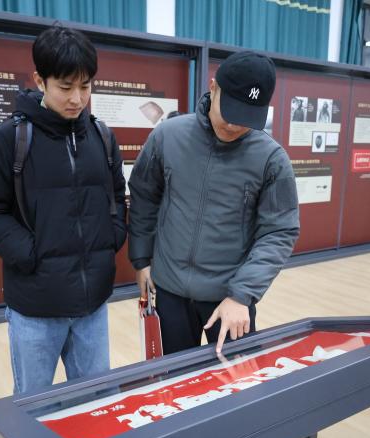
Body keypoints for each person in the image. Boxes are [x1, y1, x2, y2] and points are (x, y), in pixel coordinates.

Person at [0, 25, 127, 393]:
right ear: (40, 80)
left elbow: (117, 197)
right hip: (35, 305)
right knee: (33, 405)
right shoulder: (9, 138)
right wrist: (31, 253)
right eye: (65, 87)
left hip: (93, 304)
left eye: (85, 86)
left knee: (97, 402)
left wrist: (111, 239)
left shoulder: (102, 137)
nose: (77, 98)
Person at [128, 51, 300, 355]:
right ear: (213, 87)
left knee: (236, 380)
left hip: (230, 298)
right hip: (169, 291)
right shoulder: (167, 136)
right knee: (172, 380)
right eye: (229, 112)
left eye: (246, 118)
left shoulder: (272, 160)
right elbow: (144, 196)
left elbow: (279, 232)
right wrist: (141, 259)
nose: (233, 125)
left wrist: (242, 294)